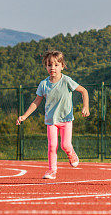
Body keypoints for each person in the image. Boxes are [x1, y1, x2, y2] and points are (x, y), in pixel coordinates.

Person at [17, 49, 90, 179]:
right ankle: (52, 171)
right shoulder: (43, 84)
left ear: (62, 66)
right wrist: (24, 116)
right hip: (51, 121)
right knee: (52, 146)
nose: (53, 68)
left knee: (65, 145)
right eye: (49, 65)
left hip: (66, 119)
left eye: (56, 65)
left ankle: (71, 153)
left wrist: (86, 107)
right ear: (46, 66)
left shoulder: (67, 81)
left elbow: (83, 91)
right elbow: (36, 102)